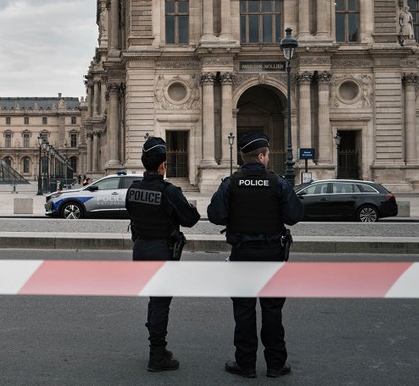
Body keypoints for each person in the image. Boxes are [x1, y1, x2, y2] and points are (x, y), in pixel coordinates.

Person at [208, 132, 304, 379]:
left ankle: (246, 364)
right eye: (268, 154)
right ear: (261, 156)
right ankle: (275, 364)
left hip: (242, 255)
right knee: (273, 312)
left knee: (244, 312)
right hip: (272, 255)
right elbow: (294, 215)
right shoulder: (278, 183)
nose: (269, 158)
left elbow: (215, 215)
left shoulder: (231, 183)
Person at [125, 136, 200, 372]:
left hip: (140, 249)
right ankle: (157, 354)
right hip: (161, 251)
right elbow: (190, 219)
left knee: (154, 300)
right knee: (161, 303)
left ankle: (156, 346)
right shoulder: (168, 191)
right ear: (163, 165)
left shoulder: (133, 189)